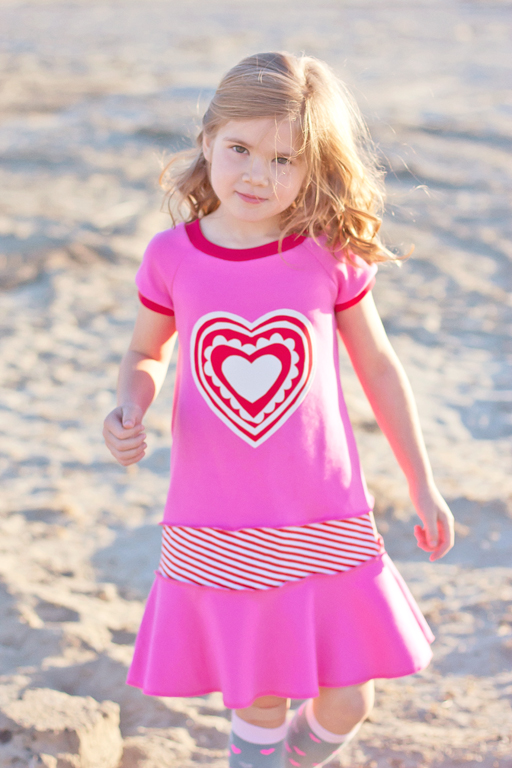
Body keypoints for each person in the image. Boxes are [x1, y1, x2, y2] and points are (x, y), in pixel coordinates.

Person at [103, 51, 454, 768]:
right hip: (221, 512)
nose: (257, 175)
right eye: (240, 149)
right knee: (260, 699)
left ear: (314, 168)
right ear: (208, 141)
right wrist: (128, 406)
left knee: (349, 701)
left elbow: (380, 369)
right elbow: (147, 352)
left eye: (285, 160)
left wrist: (422, 482)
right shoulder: (173, 257)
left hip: (324, 511)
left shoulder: (327, 256)